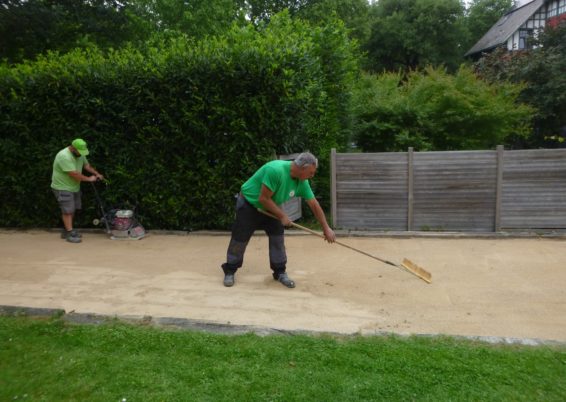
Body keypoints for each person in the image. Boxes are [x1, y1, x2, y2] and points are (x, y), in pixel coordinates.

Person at [221, 152, 336, 288]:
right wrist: (282, 216)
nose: (312, 175)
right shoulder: (275, 170)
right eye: (311, 172)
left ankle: (280, 272)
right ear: (303, 168)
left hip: (271, 207)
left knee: (277, 237)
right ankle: (230, 269)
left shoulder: (302, 182)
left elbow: (314, 205)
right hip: (249, 204)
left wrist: (326, 228)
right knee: (240, 237)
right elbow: (263, 198)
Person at [51, 138, 104, 243]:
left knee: (72, 209)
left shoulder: (80, 153)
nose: (81, 154)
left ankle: (67, 230)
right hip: (62, 187)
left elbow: (87, 166)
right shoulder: (64, 156)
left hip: (74, 187)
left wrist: (96, 173)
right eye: (79, 152)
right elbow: (74, 174)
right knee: (68, 211)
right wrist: (89, 179)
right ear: (73, 148)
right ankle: (69, 233)